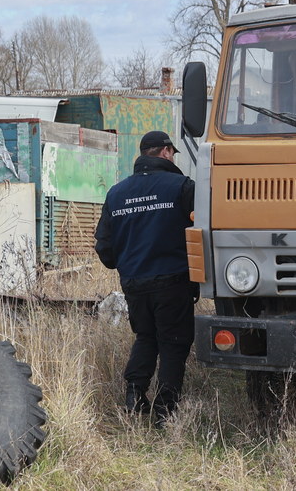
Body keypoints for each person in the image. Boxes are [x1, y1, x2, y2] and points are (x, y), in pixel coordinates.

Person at [94, 130, 197, 421]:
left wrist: (125, 264)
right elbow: (203, 233)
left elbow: (104, 245)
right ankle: (165, 411)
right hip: (174, 280)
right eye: (173, 153)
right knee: (173, 343)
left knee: (146, 337)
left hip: (134, 283)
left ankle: (134, 395)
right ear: (166, 151)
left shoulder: (116, 193)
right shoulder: (182, 187)